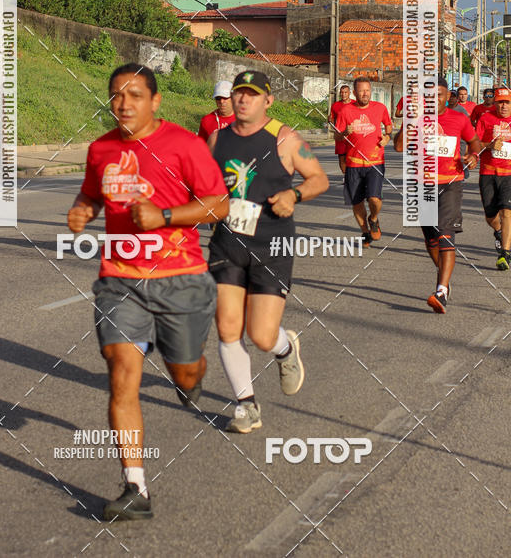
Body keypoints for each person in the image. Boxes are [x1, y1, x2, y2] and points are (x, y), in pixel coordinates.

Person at [67, 63, 228, 520]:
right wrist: (82, 209)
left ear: (155, 101)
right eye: (117, 94)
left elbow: (219, 204)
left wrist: (166, 216)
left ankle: (191, 376)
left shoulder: (184, 144)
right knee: (121, 375)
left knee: (186, 374)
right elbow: (92, 194)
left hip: (181, 278)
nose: (124, 103)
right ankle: (135, 486)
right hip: (120, 279)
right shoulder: (101, 149)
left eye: (135, 94)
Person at [206, 70, 329, 434]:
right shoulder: (217, 139)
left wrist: (295, 194)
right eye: (238, 94)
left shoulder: (286, 139)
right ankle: (246, 405)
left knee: (261, 335)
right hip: (227, 242)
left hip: (272, 245)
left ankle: (285, 349)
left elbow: (318, 179)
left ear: (267, 101)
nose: (242, 100)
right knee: (228, 327)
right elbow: (204, 186)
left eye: (252, 95)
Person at [394, 76, 480, 313]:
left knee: (445, 234)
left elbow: (475, 143)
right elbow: (400, 147)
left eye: (439, 95)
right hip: (422, 183)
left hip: (450, 183)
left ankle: (441, 291)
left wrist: (473, 156)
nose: (434, 99)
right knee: (431, 238)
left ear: (447, 97)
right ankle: (444, 276)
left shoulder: (459, 118)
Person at [334, 76, 392, 246]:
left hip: (375, 162)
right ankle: (365, 232)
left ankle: (373, 218)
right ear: (354, 93)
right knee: (357, 202)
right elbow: (336, 135)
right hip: (353, 164)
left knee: (374, 198)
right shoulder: (345, 111)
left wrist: (387, 137)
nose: (365, 94)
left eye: (367, 90)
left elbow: (388, 126)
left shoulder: (380, 108)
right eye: (361, 91)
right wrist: (344, 132)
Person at [475, 86, 511, 270]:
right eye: (500, 102)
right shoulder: (485, 119)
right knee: (490, 216)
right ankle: (499, 231)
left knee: (507, 211)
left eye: (507, 102)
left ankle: (505, 254)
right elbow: (475, 144)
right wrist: (489, 145)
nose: (503, 106)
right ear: (495, 103)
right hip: (488, 172)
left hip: (509, 174)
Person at [329, 83, 355, 174]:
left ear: (349, 93)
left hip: (352, 134)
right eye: (342, 92)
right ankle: (346, 176)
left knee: (353, 157)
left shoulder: (355, 104)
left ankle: (353, 175)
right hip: (340, 135)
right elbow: (331, 118)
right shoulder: (335, 105)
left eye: (345, 92)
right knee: (342, 157)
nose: (343, 94)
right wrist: (330, 120)